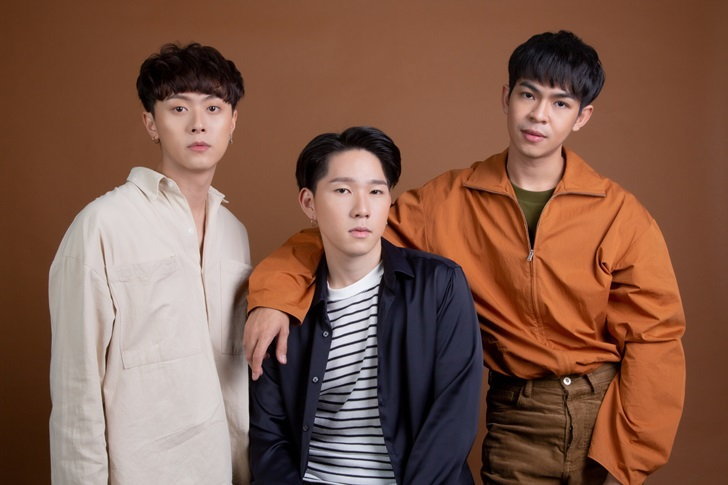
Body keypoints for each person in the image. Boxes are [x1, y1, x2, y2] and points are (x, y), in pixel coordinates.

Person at [243, 31, 686, 485]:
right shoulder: (448, 200)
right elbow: (346, 234)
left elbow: (656, 337)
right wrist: (274, 296)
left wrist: (627, 460)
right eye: (528, 94)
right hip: (518, 413)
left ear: (582, 116)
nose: (539, 114)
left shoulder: (620, 213)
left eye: (560, 103)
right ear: (505, 97)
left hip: (605, 409)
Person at [49, 43, 251, 484]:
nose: (198, 123)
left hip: (223, 471)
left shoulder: (234, 234)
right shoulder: (103, 225)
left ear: (232, 122)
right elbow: (76, 390)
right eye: (178, 108)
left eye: (214, 108)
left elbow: (234, 381)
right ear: (150, 123)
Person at [249, 126, 482, 484]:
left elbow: (453, 419)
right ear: (309, 203)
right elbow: (268, 434)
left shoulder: (439, 284)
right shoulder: (282, 305)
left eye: (376, 191)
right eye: (343, 190)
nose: (362, 209)